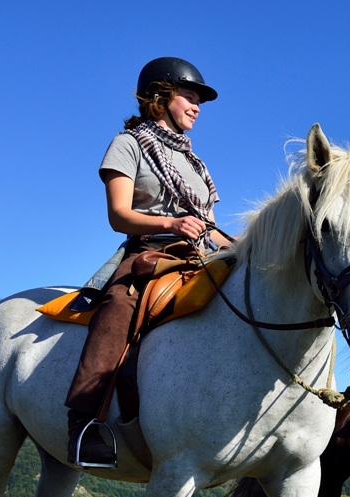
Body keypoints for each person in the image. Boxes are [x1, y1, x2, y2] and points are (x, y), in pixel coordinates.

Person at [65, 57, 230, 468]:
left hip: (199, 255)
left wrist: (248, 245)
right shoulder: (128, 144)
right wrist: (171, 222)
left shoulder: (195, 164)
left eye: (198, 100)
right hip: (149, 252)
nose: (196, 106)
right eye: (189, 96)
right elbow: (118, 215)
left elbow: (209, 226)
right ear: (161, 97)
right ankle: (83, 423)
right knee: (119, 304)